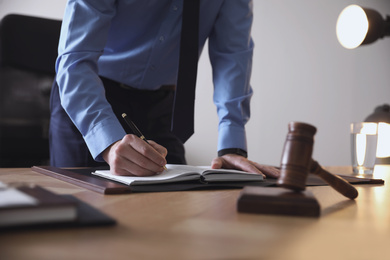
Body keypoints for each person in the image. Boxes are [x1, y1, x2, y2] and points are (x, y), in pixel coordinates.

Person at [50, 0, 279, 178]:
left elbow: (233, 56)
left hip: (163, 106)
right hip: (91, 101)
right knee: (80, 214)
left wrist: (232, 148)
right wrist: (107, 140)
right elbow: (75, 60)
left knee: (175, 206)